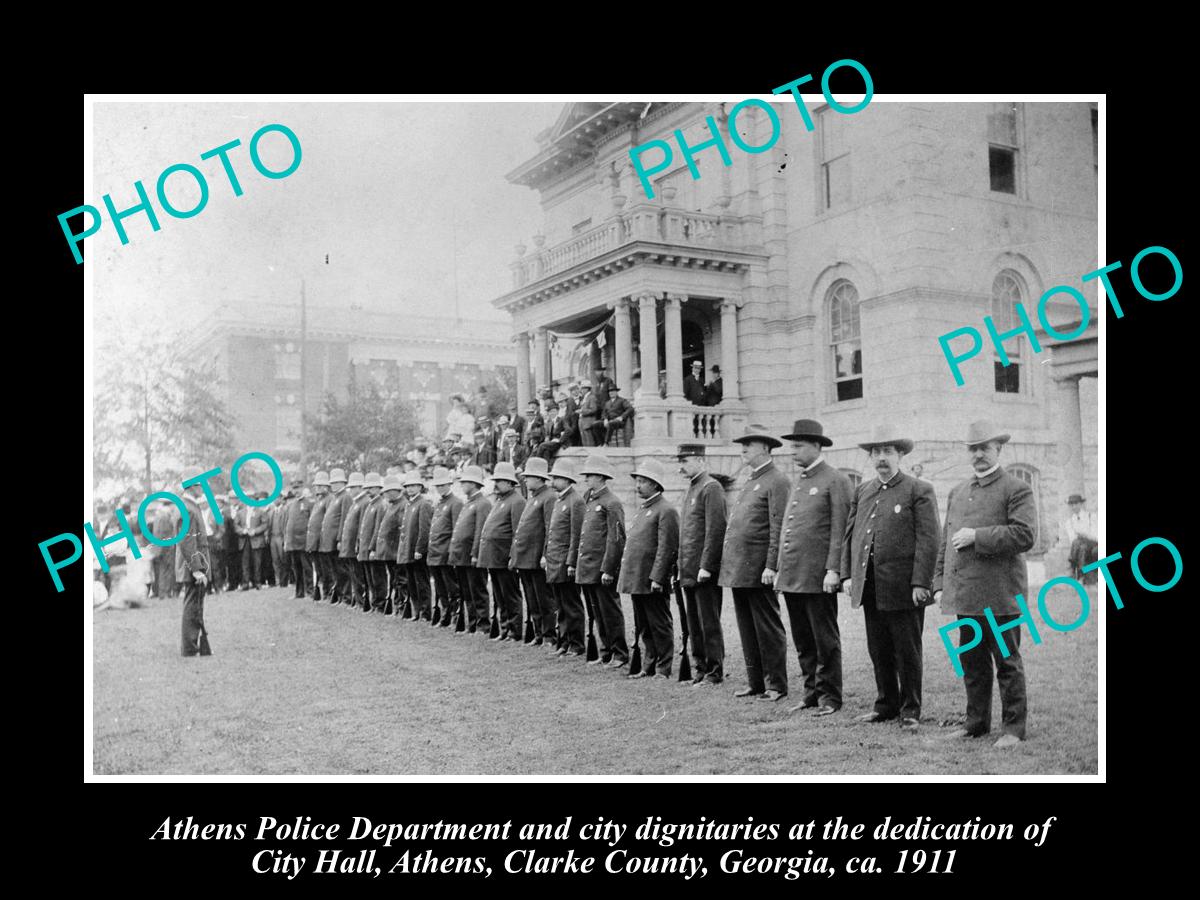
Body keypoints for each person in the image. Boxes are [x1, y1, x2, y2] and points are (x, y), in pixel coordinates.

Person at [935, 420, 1036, 749]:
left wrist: (977, 537)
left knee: (1007, 662)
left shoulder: (1016, 488)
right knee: (972, 663)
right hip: (966, 595)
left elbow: (1025, 535)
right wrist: (939, 582)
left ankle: (1013, 730)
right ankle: (976, 723)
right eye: (972, 448)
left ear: (998, 450)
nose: (978, 454)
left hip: (1002, 595)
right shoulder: (958, 491)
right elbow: (945, 542)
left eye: (984, 448)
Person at [841, 425, 940, 730]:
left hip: (903, 587)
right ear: (870, 457)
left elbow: (929, 539)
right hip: (870, 585)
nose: (881, 458)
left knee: (906, 649)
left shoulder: (918, 489)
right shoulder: (864, 490)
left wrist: (921, 582)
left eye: (888, 452)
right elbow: (851, 535)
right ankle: (886, 704)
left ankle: (910, 708)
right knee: (878, 648)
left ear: (900, 455)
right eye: (876, 452)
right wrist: (848, 575)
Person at [773, 419, 854, 716]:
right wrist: (781, 568)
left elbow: (840, 530)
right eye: (792, 446)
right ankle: (811, 693)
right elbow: (788, 527)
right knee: (804, 640)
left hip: (819, 577)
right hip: (794, 576)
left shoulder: (835, 480)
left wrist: (834, 569)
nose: (792, 451)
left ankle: (830, 696)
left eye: (798, 446)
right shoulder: (801, 480)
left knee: (825, 639)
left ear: (817, 446)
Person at [719, 424, 791, 702]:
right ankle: (756, 682)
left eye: (749, 444)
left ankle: (776, 684)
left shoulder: (777, 480)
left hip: (760, 569)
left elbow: (778, 527)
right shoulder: (751, 479)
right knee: (747, 627)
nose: (743, 449)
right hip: (741, 569)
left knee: (767, 627)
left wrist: (771, 565)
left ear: (765, 447)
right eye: (743, 444)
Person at [619, 459, 680, 678]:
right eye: (637, 481)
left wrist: (658, 577)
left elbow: (667, 548)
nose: (638, 486)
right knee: (644, 625)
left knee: (659, 624)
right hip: (637, 579)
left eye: (643, 481)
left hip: (652, 580)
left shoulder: (666, 510)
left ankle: (663, 668)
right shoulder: (644, 509)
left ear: (655, 484)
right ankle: (648, 665)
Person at [677, 444, 728, 685]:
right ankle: (700, 668)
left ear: (700, 460)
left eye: (685, 461)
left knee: (708, 622)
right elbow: (687, 534)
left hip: (703, 570)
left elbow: (715, 530)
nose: (681, 466)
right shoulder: (692, 488)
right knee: (694, 623)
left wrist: (707, 565)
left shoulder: (711, 488)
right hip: (689, 569)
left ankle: (714, 671)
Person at [576, 454, 628, 667]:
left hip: (602, 568)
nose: (586, 479)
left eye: (589, 475)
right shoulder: (590, 499)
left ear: (599, 476)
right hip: (588, 566)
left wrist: (608, 568)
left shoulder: (611, 502)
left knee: (610, 611)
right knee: (596, 612)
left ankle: (619, 653)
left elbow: (616, 539)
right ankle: (606, 651)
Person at [511, 456, 555, 645]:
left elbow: (549, 528)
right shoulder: (533, 497)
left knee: (544, 599)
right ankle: (538, 634)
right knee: (532, 599)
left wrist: (545, 555)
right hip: (526, 557)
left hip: (537, 558)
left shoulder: (549, 497)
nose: (525, 480)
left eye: (529, 476)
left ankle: (549, 635)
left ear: (538, 477)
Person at [479, 461, 525, 641]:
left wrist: (513, 557)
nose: (496, 484)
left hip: (505, 557)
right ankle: (505, 628)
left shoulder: (517, 501)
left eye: (500, 480)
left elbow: (517, 533)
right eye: (495, 480)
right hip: (493, 557)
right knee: (499, 596)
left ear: (510, 482)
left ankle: (515, 630)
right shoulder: (499, 500)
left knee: (510, 595)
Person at [544, 459, 585, 656]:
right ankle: (564, 641)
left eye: (556, 478)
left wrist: (571, 562)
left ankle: (576, 643)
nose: (553, 481)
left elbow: (575, 534)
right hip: (554, 561)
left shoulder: (575, 501)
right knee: (560, 605)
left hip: (564, 562)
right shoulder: (560, 500)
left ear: (566, 479)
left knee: (571, 605)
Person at [450, 465, 491, 634]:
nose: (462, 485)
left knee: (478, 591)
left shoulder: (482, 503)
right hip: (461, 556)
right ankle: (473, 623)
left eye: (465, 482)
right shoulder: (470, 503)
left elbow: (480, 530)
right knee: (467, 592)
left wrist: (475, 554)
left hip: (471, 556)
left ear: (474, 484)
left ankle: (483, 625)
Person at [178, 477, 213, 657]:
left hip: (196, 562)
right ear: (192, 486)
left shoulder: (190, 506)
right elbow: (187, 541)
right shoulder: (188, 508)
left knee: (195, 603)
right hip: (194, 564)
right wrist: (196, 569)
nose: (203, 488)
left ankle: (191, 645)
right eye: (201, 484)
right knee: (193, 605)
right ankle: (190, 647)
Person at [426, 467, 462, 627]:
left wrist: (451, 551)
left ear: (449, 484)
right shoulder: (439, 503)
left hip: (445, 552)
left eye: (443, 485)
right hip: (434, 552)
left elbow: (456, 530)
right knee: (440, 588)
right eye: (438, 486)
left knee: (451, 587)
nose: (440, 488)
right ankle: (446, 613)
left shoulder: (455, 503)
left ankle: (455, 615)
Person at [400, 471, 434, 621]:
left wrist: (420, 549)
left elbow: (424, 529)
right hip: (408, 550)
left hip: (417, 551)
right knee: (412, 583)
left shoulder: (423, 504)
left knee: (422, 583)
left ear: (420, 487)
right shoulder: (410, 504)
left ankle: (426, 613)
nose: (411, 489)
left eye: (414, 486)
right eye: (408, 486)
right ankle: (417, 611)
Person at [370, 475, 405, 614]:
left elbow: (402, 530)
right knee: (395, 580)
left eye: (390, 491)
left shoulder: (402, 505)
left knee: (400, 581)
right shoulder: (392, 505)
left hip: (396, 550)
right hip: (390, 551)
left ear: (396, 491)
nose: (387, 494)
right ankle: (397, 607)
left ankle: (401, 607)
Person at [320, 468, 351, 603]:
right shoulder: (335, 498)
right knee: (335, 571)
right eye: (331, 483)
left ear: (342, 483)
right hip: (329, 541)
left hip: (336, 541)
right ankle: (339, 595)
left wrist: (339, 539)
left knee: (341, 570)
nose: (332, 485)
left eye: (335, 482)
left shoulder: (345, 497)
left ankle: (346, 596)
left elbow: (345, 519)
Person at [355, 473, 384, 611]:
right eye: (367, 487)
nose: (369, 490)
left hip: (372, 549)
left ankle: (380, 604)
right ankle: (374, 604)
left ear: (379, 488)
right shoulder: (370, 504)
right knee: (370, 579)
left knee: (377, 578)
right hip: (365, 548)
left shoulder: (380, 505)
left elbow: (378, 528)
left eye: (372, 487)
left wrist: (373, 548)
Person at [338, 472, 367, 608]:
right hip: (349, 545)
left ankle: (361, 602)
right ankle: (357, 600)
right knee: (353, 573)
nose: (350, 490)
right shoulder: (356, 502)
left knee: (358, 574)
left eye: (353, 487)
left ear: (360, 487)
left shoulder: (363, 502)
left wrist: (358, 543)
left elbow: (361, 526)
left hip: (355, 545)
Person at [283, 481, 313, 598]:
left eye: (298, 488)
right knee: (296, 568)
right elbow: (288, 523)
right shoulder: (292, 505)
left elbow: (311, 522)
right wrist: (287, 540)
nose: (296, 491)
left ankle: (310, 591)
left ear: (303, 488)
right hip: (293, 542)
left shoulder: (309, 504)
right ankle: (299, 592)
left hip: (303, 541)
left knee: (307, 567)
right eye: (294, 488)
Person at [304, 473, 331, 600]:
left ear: (327, 486)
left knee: (326, 569)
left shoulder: (328, 500)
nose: (318, 488)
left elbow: (326, 521)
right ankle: (325, 592)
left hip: (322, 541)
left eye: (321, 486)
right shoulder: (318, 501)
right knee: (319, 569)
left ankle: (328, 592)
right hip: (315, 541)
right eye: (316, 486)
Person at [1061, 493, 1097, 583]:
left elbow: (1096, 535)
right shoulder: (1069, 522)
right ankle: (1082, 573)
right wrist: (1080, 536)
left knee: (1080, 544)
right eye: (1071, 505)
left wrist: (1084, 534)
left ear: (1081, 504)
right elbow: (1072, 539)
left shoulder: (1091, 516)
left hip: (1093, 543)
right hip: (1080, 545)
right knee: (1081, 546)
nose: (1074, 507)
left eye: (1076, 504)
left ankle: (1073, 568)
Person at [238, 492, 268, 590]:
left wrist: (255, 531)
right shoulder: (241, 512)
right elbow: (235, 525)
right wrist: (242, 531)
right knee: (245, 562)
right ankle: (245, 583)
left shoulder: (260, 511)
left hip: (256, 539)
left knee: (257, 562)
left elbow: (265, 524)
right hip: (244, 539)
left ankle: (258, 582)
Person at [578, 383, 602, 447]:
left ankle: (591, 454)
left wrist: (582, 411)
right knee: (584, 440)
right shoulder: (584, 398)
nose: (581, 390)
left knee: (589, 440)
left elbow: (593, 409)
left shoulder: (591, 397)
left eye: (583, 388)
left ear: (587, 389)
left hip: (588, 421)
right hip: (582, 421)